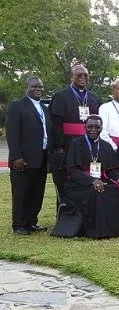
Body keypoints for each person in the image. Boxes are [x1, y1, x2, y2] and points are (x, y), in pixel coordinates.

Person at [60, 115, 119, 238]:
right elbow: (71, 171)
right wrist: (92, 180)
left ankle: (115, 230)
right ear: (85, 127)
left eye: (97, 127)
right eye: (90, 127)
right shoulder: (75, 144)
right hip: (78, 184)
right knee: (97, 192)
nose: (93, 129)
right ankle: (98, 231)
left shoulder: (106, 146)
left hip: (101, 180)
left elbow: (111, 171)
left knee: (113, 190)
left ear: (101, 128)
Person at [7, 76, 55, 234]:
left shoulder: (44, 108)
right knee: (21, 192)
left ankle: (31, 222)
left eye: (41, 86)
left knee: (37, 192)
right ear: (26, 87)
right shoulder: (17, 106)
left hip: (41, 157)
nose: (38, 89)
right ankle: (19, 224)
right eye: (35, 86)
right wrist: (16, 157)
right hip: (23, 159)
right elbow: (12, 134)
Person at [50, 64, 102, 205]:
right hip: (67, 145)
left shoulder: (94, 98)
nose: (83, 77)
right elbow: (56, 124)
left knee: (86, 176)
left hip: (88, 146)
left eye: (85, 75)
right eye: (79, 75)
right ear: (71, 77)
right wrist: (59, 148)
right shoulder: (60, 96)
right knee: (64, 180)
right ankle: (64, 213)